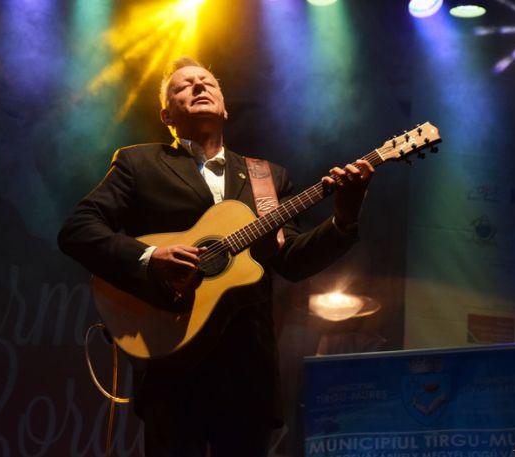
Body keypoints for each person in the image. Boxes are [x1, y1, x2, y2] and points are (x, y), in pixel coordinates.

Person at [58, 57, 374, 457]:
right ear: (166, 113)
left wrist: (344, 216)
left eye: (206, 82)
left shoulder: (265, 178)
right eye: (183, 86)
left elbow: (291, 260)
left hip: (248, 375)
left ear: (224, 107)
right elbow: (78, 229)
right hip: (171, 365)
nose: (198, 87)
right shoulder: (138, 164)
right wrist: (150, 256)